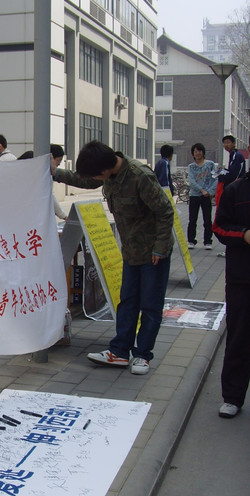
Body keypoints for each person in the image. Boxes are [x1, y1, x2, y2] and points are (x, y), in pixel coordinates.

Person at [52, 141, 174, 375]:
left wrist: (159, 249)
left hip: (153, 253)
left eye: (97, 175)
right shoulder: (108, 174)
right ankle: (119, 352)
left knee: (150, 305)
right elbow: (84, 180)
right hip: (131, 251)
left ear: (105, 170)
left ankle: (142, 355)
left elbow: (165, 212)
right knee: (127, 301)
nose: (96, 179)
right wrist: (56, 173)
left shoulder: (140, 177)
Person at [212, 166, 250, 418]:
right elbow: (219, 227)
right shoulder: (236, 190)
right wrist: (243, 234)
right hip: (242, 278)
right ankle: (233, 397)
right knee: (239, 337)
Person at [186, 142, 217, 250]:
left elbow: (215, 178)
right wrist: (202, 190)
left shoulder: (210, 164)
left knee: (207, 220)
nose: (197, 153)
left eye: (199, 151)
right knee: (192, 219)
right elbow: (191, 181)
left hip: (206, 196)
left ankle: (208, 241)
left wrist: (209, 192)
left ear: (203, 152)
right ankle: (191, 241)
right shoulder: (191, 166)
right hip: (194, 195)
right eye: (195, 151)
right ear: (193, 154)